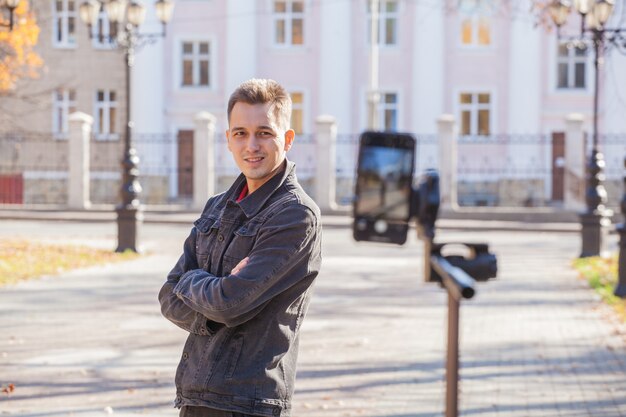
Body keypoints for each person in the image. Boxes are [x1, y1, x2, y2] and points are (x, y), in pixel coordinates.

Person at [158, 78, 322, 417]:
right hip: (196, 393)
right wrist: (212, 293)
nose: (252, 145)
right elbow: (167, 298)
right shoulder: (217, 206)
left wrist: (192, 283)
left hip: (249, 402)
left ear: (287, 139)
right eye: (240, 133)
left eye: (264, 132)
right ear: (228, 140)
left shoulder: (295, 214)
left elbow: (229, 304)